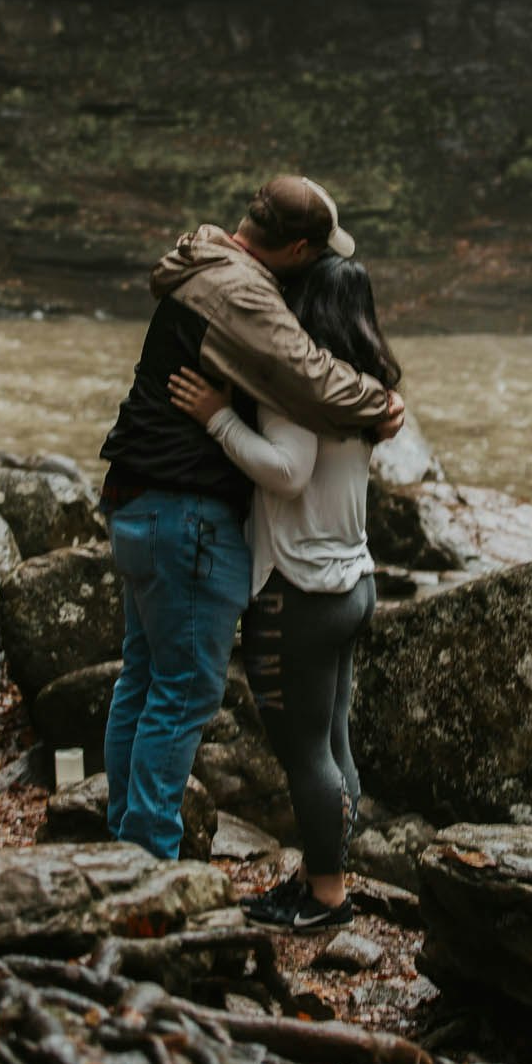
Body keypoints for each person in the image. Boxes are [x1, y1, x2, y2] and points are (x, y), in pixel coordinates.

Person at [97, 176, 403, 859]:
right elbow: (308, 378)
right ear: (297, 248)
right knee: (182, 694)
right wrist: (380, 403)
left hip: (138, 505)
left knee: (143, 678)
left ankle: (122, 838)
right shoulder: (242, 292)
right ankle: (145, 855)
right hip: (189, 516)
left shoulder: (206, 262)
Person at [168, 253, 400, 931]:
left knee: (305, 754)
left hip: (299, 592)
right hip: (354, 582)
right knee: (333, 743)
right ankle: (325, 872)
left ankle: (325, 895)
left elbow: (287, 472)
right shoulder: (367, 390)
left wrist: (217, 416)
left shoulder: (297, 389)